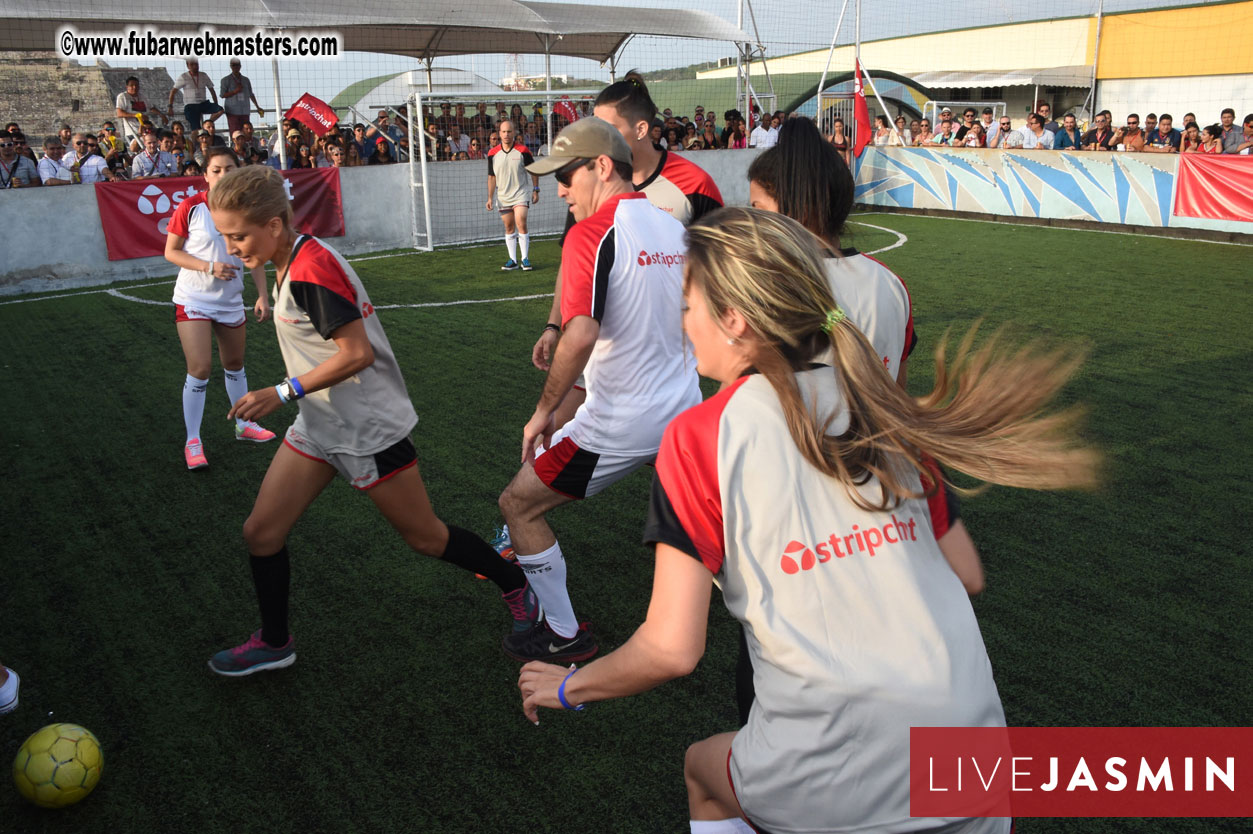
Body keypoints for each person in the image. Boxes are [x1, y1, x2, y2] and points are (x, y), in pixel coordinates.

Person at [519, 206, 1097, 834]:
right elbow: (967, 575)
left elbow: (671, 649)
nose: (682, 324)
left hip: (838, 781)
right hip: (977, 775)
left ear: (735, 320)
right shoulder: (883, 402)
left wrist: (568, 687)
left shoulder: (703, 435)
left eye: (687, 306)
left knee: (701, 772)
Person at [202, 165, 542, 675]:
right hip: (320, 423)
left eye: (238, 236)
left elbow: (356, 354)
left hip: (367, 428)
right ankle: (274, 642)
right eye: (225, 236)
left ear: (273, 224)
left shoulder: (312, 267)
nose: (231, 247)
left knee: (426, 537)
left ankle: (516, 584)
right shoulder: (288, 256)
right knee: (261, 533)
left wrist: (282, 391)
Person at [496, 117, 702, 663]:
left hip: (621, 422)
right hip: (684, 411)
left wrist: (543, 411)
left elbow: (582, 333)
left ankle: (565, 635)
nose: (560, 190)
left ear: (602, 167)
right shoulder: (672, 228)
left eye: (566, 176)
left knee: (517, 505)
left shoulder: (591, 233)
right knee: (704, 518)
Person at [163, 147, 275, 469]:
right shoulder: (191, 207)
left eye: (230, 169)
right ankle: (193, 441)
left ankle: (244, 425)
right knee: (200, 369)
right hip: (194, 299)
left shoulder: (247, 210)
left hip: (230, 301)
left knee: (235, 365)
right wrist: (208, 267)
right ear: (206, 175)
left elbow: (254, 256)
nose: (223, 175)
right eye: (216, 170)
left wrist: (262, 295)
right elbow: (171, 252)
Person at [486, 119, 539, 271]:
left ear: (514, 132)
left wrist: (536, 189)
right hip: (503, 196)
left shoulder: (523, 151)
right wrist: (490, 197)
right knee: (509, 227)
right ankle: (513, 260)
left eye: (509, 131)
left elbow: (534, 170)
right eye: (503, 132)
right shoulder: (492, 153)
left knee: (521, 221)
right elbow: (491, 177)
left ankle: (525, 259)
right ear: (499, 133)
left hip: (520, 194)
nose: (506, 135)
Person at [169, 59, 223, 135]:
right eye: (192, 64)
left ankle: (207, 124)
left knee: (220, 110)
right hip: (191, 105)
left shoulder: (203, 75)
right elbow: (173, 92)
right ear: (187, 66)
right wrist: (170, 107)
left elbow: (212, 90)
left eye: (196, 64)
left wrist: (215, 103)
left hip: (203, 103)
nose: (195, 66)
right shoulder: (183, 76)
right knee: (196, 130)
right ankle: (194, 141)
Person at [116, 76, 164, 152]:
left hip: (148, 129)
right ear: (127, 87)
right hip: (134, 131)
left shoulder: (142, 97)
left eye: (136, 85)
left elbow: (151, 108)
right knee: (138, 148)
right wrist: (135, 115)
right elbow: (119, 113)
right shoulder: (123, 96)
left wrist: (162, 115)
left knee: (164, 133)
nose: (134, 87)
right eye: (132, 85)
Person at [220, 59, 265, 135]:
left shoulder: (246, 80)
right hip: (232, 111)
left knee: (247, 131)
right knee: (235, 132)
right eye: (233, 65)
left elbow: (251, 94)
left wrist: (257, 107)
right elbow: (222, 95)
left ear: (240, 66)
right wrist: (235, 91)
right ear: (230, 66)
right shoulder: (225, 80)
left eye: (237, 65)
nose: (236, 67)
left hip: (245, 110)